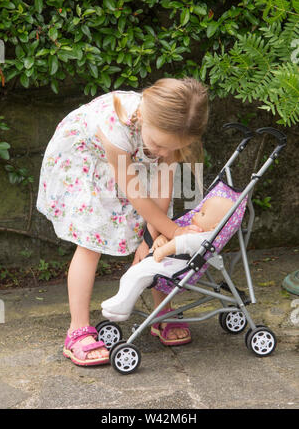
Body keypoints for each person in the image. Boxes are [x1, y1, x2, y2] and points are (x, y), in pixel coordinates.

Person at [36, 77, 209, 365]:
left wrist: (153, 236)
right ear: (143, 117)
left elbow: (161, 188)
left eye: (171, 149)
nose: (163, 153)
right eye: (158, 144)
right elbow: (136, 193)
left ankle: (161, 312)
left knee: (158, 240)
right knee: (90, 240)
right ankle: (77, 330)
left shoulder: (174, 133)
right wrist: (176, 231)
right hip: (88, 162)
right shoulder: (116, 125)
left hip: (130, 165)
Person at [101, 196, 234, 345]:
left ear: (215, 225)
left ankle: (122, 305)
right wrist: (161, 238)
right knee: (133, 273)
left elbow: (184, 242)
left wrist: (164, 250)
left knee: (140, 275)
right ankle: (121, 300)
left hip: (174, 269)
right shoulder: (194, 229)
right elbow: (176, 238)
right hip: (166, 263)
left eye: (202, 214)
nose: (195, 214)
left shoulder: (206, 238)